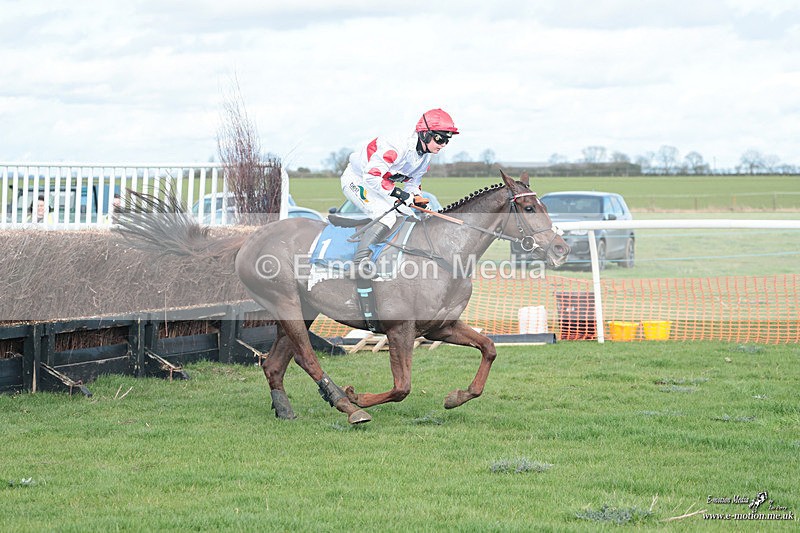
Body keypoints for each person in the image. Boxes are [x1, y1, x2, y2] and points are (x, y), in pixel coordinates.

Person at [340, 108, 459, 267]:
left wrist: (416, 198)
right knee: (387, 216)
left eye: (447, 140)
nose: (443, 144)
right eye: (439, 139)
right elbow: (371, 176)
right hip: (358, 180)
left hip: (380, 183)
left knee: (410, 217)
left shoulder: (425, 157)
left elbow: (413, 184)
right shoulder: (397, 146)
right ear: (425, 134)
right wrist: (401, 195)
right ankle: (358, 264)